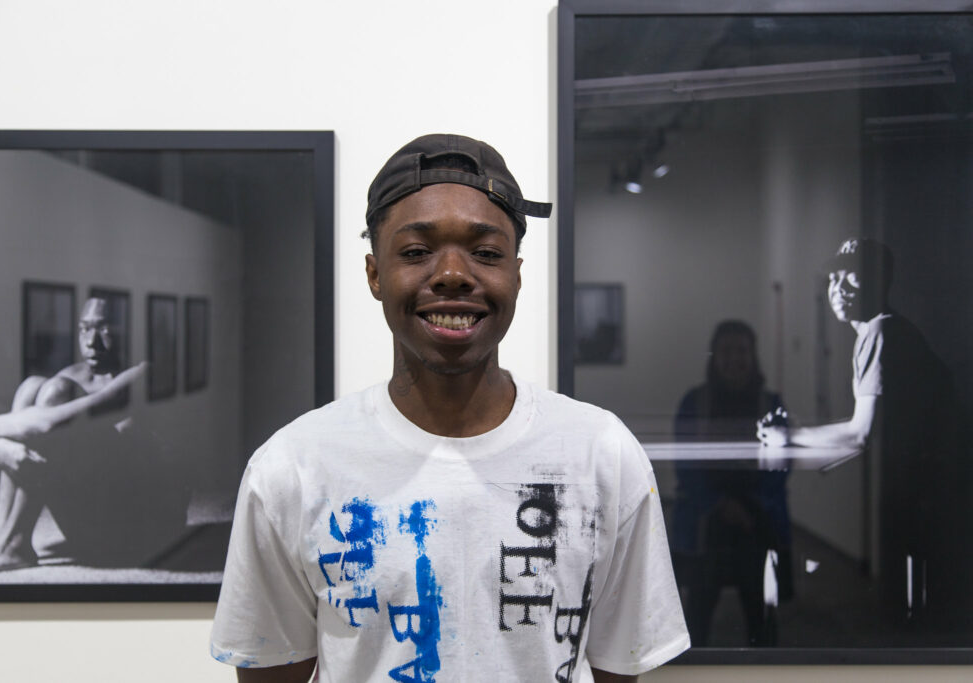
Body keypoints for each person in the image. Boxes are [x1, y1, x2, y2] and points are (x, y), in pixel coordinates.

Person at [210, 134, 690, 682]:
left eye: (486, 253)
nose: (453, 274)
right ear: (374, 274)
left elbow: (617, 666)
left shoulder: (601, 455)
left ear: (516, 273)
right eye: (416, 252)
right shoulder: (292, 468)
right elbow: (273, 671)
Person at [756, 238, 960, 625]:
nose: (839, 286)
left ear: (880, 281)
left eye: (852, 275)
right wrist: (801, 436)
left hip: (933, 494)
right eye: (834, 276)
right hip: (926, 491)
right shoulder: (873, 333)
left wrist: (793, 439)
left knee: (920, 616)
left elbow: (861, 435)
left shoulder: (881, 332)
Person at [0, 297, 150, 572]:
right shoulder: (75, 374)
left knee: (56, 395)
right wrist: (4, 447)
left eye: (103, 328)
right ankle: (0, 534)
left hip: (130, 529)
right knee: (32, 387)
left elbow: (46, 426)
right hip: (85, 512)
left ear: (127, 328)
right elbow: (35, 425)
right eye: (83, 329)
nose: (91, 341)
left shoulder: (140, 375)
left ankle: (15, 544)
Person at [671, 320, 790, 647]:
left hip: (756, 524)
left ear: (753, 356)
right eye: (726, 351)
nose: (734, 358)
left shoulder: (770, 404)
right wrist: (720, 505)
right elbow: (685, 466)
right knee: (698, 615)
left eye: (741, 350)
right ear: (714, 356)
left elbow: (781, 465)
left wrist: (751, 507)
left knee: (761, 616)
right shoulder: (695, 403)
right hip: (706, 525)